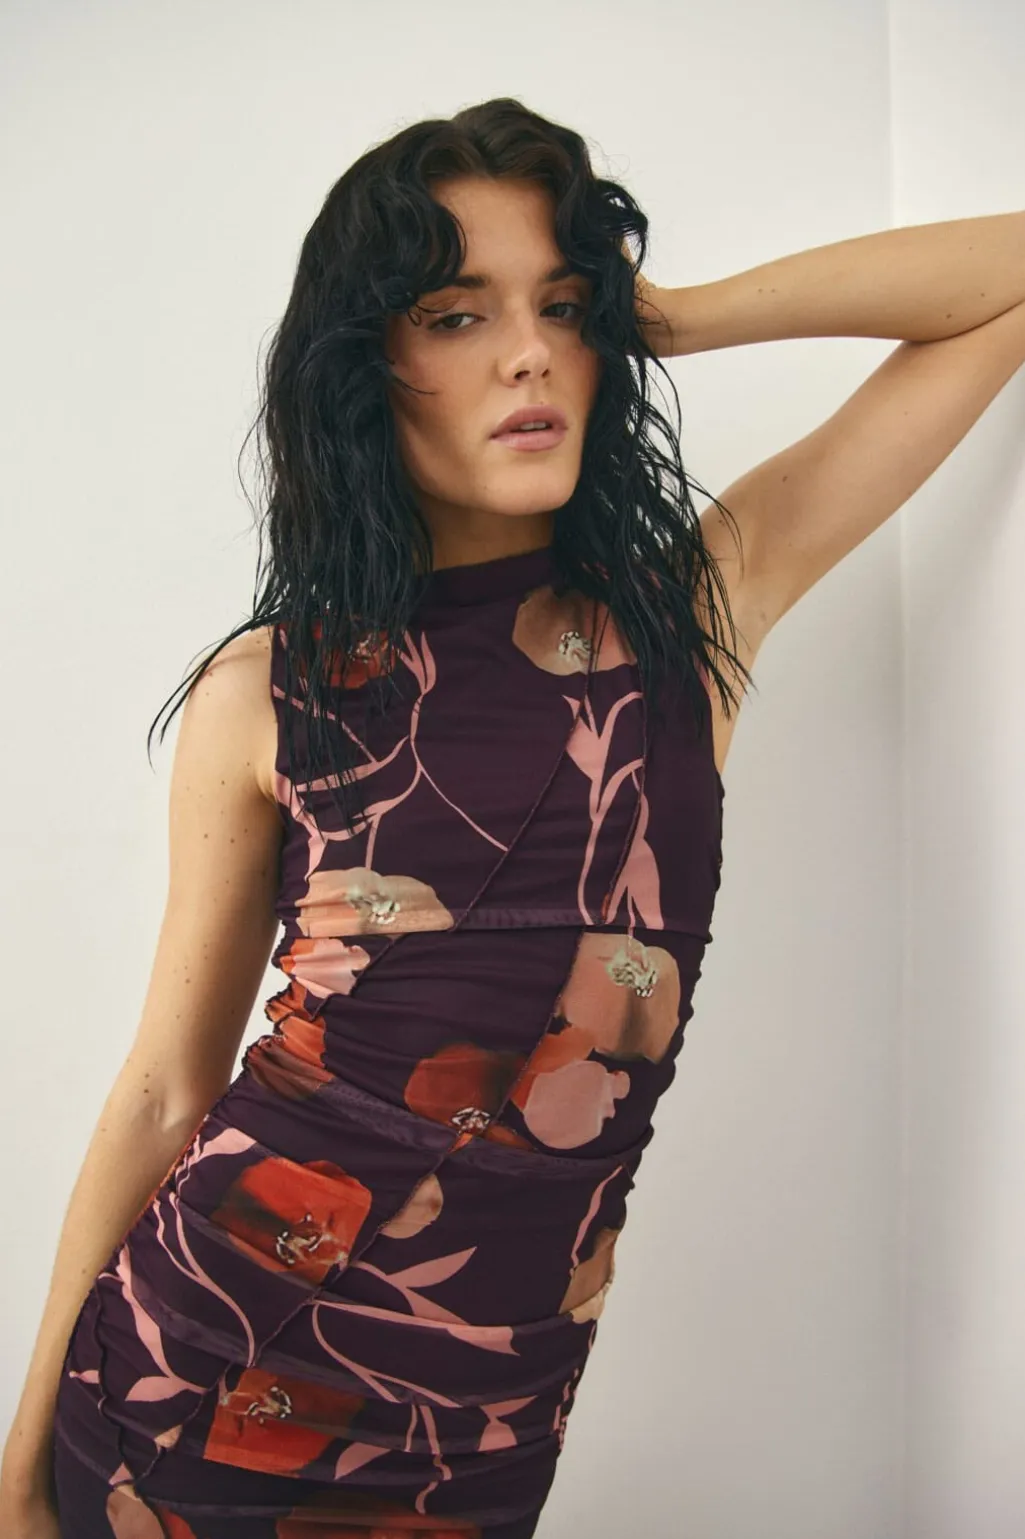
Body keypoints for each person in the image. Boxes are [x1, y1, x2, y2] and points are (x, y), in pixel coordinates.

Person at [3, 95, 1025, 1539]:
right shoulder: (270, 693)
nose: (530, 351)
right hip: (197, 1384)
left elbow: (1007, 279)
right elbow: (168, 1090)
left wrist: (669, 314)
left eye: (560, 305)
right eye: (456, 314)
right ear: (367, 366)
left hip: (488, 1426)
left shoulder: (690, 623)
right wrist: (19, 1463)